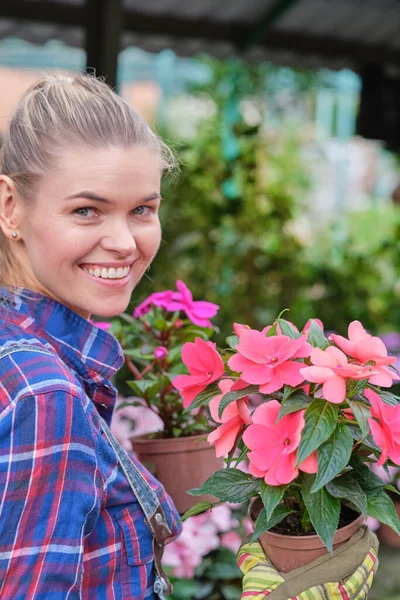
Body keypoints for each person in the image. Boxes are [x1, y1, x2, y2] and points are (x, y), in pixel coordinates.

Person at [0, 74, 181, 599]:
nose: (125, 243)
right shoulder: (43, 396)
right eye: (87, 210)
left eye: (143, 210)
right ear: (11, 206)